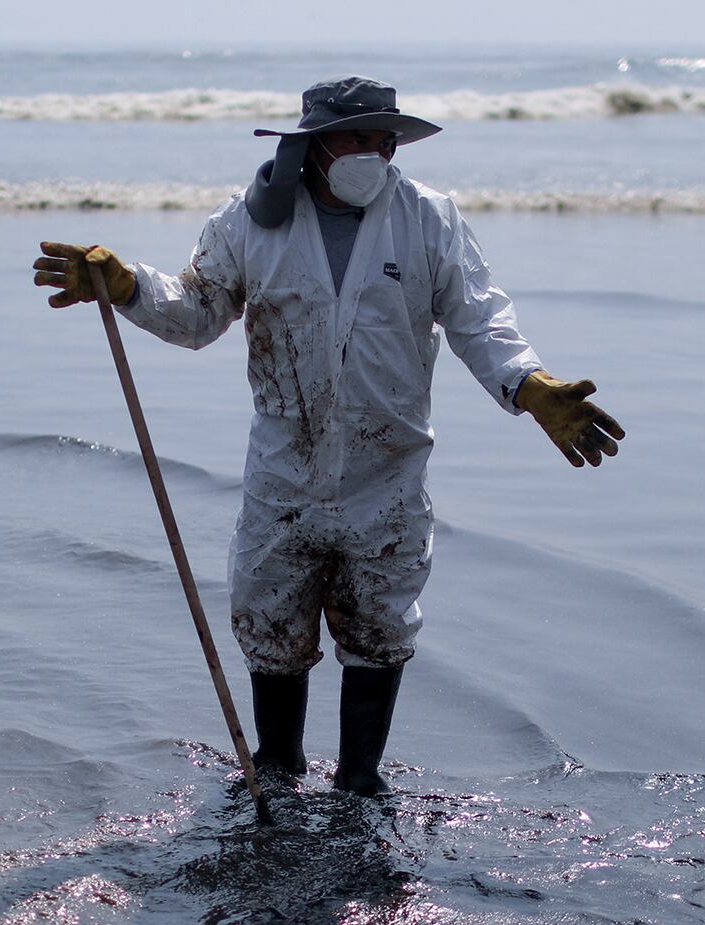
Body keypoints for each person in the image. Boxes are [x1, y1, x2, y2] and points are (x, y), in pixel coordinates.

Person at [35, 75, 622, 796]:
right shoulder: (250, 224)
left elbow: (479, 319)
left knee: (380, 627)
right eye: (358, 138)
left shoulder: (427, 218)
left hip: (390, 469)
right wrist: (127, 287)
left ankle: (360, 779)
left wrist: (530, 387)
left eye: (386, 139)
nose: (375, 152)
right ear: (314, 146)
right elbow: (195, 313)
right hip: (285, 469)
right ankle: (277, 769)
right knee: (271, 622)